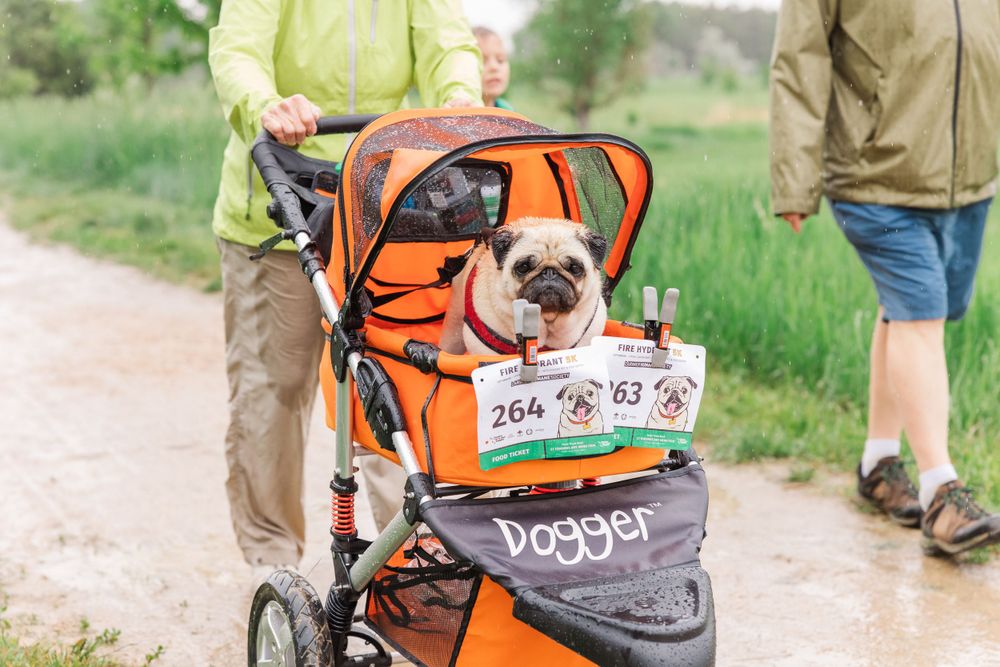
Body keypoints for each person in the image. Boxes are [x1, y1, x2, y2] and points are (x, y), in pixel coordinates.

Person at [208, 0, 482, 579]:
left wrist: (459, 95)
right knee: (273, 387)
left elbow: (447, 43)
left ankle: (405, 557)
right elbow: (238, 52)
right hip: (277, 206)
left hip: (376, 211)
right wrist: (268, 106)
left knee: (390, 376)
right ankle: (272, 558)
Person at [770, 0, 1000, 557]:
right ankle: (941, 490)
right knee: (921, 317)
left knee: (908, 311)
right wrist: (795, 180)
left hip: (970, 173)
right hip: (875, 175)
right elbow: (798, 60)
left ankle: (878, 462)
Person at [472, 26, 512, 110]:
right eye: (482, 61)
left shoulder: (508, 112)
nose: (494, 67)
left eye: (500, 60)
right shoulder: (457, 115)